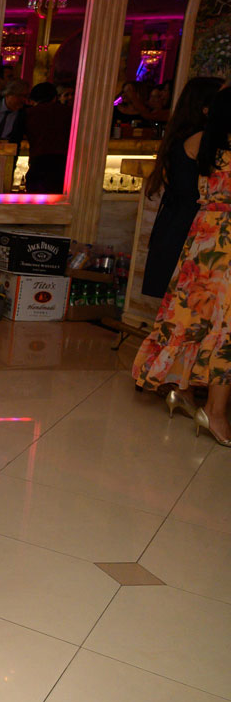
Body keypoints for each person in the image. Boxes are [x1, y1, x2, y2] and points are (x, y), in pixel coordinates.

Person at [134, 86, 231, 446]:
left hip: (203, 235)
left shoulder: (199, 142)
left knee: (195, 314)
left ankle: (183, 389)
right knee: (223, 323)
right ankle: (216, 412)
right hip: (224, 240)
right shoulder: (218, 144)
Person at [141, 77, 223, 299]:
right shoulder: (202, 138)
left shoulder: (181, 135)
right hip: (189, 224)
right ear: (207, 108)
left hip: (175, 219)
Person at [20, 82, 73, 193]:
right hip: (63, 167)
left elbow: (16, 139)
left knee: (36, 204)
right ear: (54, 97)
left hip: (38, 165)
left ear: (33, 99)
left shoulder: (29, 113)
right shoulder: (69, 112)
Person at [0, 78, 29, 142]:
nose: (23, 100)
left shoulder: (25, 113)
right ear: (8, 94)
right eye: (19, 95)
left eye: (25, 96)